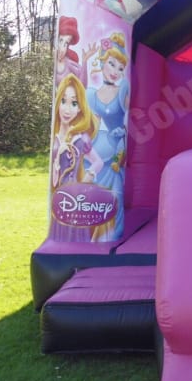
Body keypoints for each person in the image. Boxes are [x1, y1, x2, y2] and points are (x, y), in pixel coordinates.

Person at [86, 33, 130, 240]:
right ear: (103, 62)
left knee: (115, 196)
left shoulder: (123, 90)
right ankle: (92, 234)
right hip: (95, 152)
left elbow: (132, 116)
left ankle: (111, 236)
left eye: (120, 68)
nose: (115, 71)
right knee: (93, 196)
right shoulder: (92, 95)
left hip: (114, 153)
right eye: (112, 64)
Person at [50, 74, 104, 241]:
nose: (67, 110)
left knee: (74, 237)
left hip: (73, 198)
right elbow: (54, 176)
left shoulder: (79, 139)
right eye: (63, 101)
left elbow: (98, 162)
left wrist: (86, 179)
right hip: (58, 198)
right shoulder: (55, 137)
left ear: (80, 108)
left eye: (74, 103)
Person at [54, 16, 95, 89]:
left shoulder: (70, 64)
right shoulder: (51, 59)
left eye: (66, 43)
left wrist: (84, 61)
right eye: (60, 40)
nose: (62, 49)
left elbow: (82, 86)